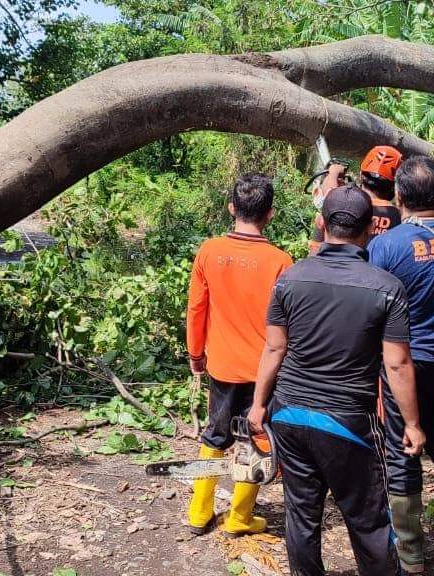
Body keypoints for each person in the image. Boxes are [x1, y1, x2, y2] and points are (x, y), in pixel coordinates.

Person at [247, 184, 426, 575]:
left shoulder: (290, 279)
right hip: (348, 423)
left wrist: (259, 405)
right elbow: (396, 365)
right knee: (368, 521)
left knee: (301, 517)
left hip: (289, 414)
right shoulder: (386, 288)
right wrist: (412, 424)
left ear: (322, 224)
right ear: (371, 230)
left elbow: (274, 349)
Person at [186, 174, 292, 536]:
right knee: (256, 438)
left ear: (232, 207)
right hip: (264, 371)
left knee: (213, 439)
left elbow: (196, 309)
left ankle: (200, 513)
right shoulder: (280, 261)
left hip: (222, 366)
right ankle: (240, 518)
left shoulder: (209, 250)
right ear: (271, 214)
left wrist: (195, 354)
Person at [368, 155, 434, 574]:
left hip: (406, 365)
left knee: (403, 450)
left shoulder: (386, 246)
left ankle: (411, 554)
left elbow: (370, 310)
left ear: (398, 195)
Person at [309, 145, 403, 255]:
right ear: (394, 187)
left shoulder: (344, 205)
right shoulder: (400, 217)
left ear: (361, 175)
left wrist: (333, 173)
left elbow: (329, 193)